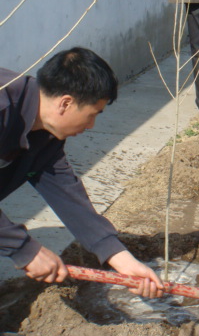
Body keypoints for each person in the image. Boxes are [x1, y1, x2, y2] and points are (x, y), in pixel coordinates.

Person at [0, 48, 163, 297]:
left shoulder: (46, 137)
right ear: (65, 103)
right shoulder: (3, 108)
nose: (91, 126)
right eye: (91, 115)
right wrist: (24, 248)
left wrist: (121, 259)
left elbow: (65, 193)